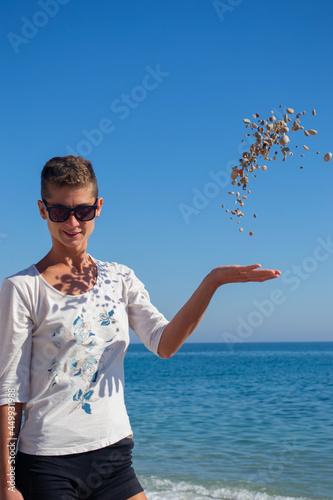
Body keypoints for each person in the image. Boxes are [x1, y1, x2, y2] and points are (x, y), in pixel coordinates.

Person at [0, 155, 281, 500]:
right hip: (47, 464)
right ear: (43, 210)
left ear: (98, 207)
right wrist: (7, 483)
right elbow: (11, 392)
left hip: (114, 456)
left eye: (83, 211)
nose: (72, 221)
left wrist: (212, 282)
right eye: (60, 211)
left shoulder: (120, 278)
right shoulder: (22, 288)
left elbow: (164, 344)